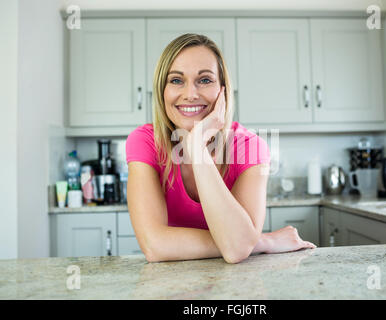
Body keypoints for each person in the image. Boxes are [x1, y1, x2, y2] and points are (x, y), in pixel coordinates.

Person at [126, 33, 316, 264]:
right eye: (176, 80)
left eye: (205, 80)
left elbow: (236, 250)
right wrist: (263, 242)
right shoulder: (145, 142)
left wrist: (197, 146)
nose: (190, 94)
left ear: (223, 91)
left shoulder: (249, 147)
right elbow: (155, 246)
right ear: (161, 91)